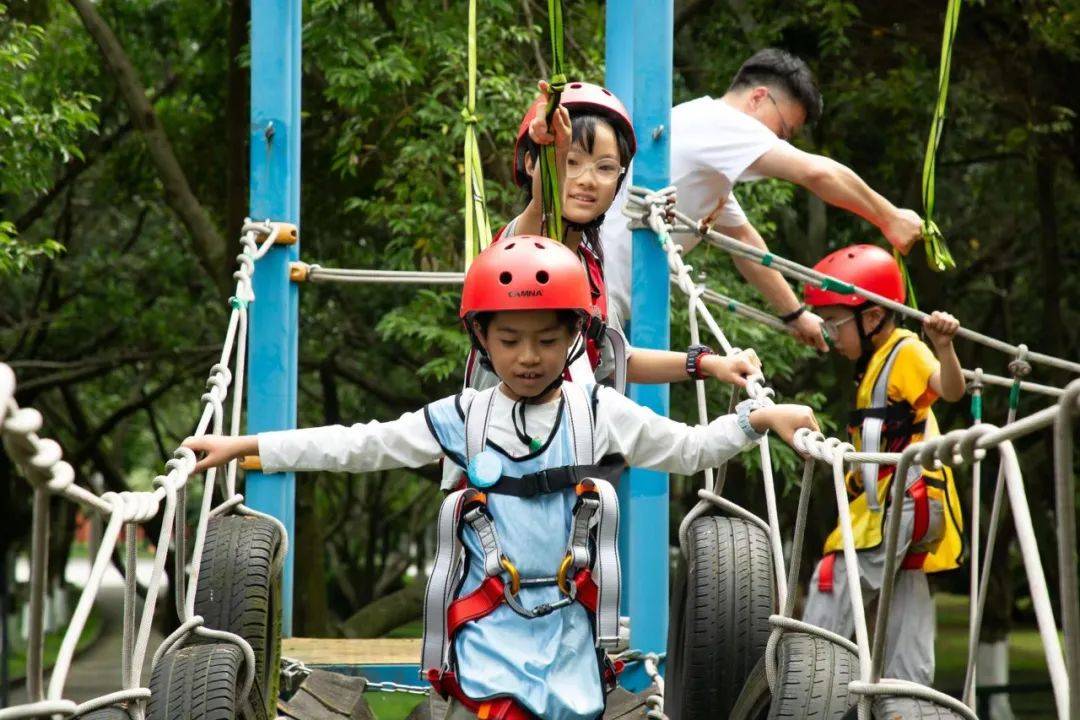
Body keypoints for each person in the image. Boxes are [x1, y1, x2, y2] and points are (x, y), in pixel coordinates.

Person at [184, 237, 821, 720]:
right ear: (482, 338)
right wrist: (249, 445)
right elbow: (360, 444)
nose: (527, 357)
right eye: (509, 338)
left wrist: (758, 416)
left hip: (570, 630)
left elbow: (688, 449)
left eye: (546, 339)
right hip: (484, 629)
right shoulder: (464, 416)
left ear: (575, 337)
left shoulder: (597, 410)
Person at [603, 48, 927, 352]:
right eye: (783, 131)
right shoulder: (724, 124)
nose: (779, 142)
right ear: (759, 97)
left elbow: (745, 243)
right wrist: (890, 217)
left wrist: (795, 314)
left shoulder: (708, 148)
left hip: (601, 293)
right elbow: (817, 173)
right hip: (599, 294)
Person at [468, 81, 760, 396]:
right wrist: (553, 151)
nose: (588, 180)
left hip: (566, 438)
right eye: (570, 162)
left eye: (605, 167)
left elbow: (620, 359)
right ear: (532, 164)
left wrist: (707, 364)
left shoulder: (590, 270)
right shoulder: (518, 248)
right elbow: (543, 206)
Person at [799, 244, 966, 684]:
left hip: (901, 499)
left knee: (834, 578)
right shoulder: (871, 361)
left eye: (835, 323)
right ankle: (908, 699)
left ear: (872, 318)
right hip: (900, 502)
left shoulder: (905, 351)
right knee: (904, 596)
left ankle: (807, 687)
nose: (832, 336)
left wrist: (944, 348)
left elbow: (949, 390)